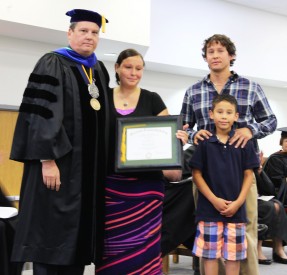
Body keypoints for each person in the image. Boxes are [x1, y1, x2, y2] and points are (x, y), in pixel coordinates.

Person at [10, 9, 110, 275]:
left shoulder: (98, 70)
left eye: (95, 33)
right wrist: (47, 160)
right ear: (70, 33)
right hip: (58, 168)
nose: (89, 37)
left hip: (85, 176)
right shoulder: (52, 63)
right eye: (83, 31)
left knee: (76, 240)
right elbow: (42, 115)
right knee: (52, 231)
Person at [180, 34, 277, 275]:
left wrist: (249, 129)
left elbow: (271, 121)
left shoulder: (251, 87)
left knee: (246, 231)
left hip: (242, 172)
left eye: (220, 51)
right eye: (210, 52)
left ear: (231, 55)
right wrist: (194, 135)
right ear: (205, 58)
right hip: (205, 174)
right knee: (207, 234)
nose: (215, 55)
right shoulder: (193, 91)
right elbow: (183, 128)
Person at [95, 48, 187, 274]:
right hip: (112, 187)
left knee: (144, 249)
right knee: (111, 248)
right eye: (128, 67)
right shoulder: (102, 97)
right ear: (116, 68)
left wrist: (178, 139)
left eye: (138, 68)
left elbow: (167, 138)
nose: (133, 72)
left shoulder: (153, 99)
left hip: (147, 189)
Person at [190, 94, 259, 275]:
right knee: (210, 255)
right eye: (220, 112)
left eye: (229, 112)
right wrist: (214, 200)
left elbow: (248, 175)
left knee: (234, 256)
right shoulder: (204, 143)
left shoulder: (244, 143)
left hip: (236, 211)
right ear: (211, 114)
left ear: (236, 116)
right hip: (209, 210)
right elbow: (196, 174)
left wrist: (238, 202)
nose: (224, 116)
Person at [263, 127, 287, 205]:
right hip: (279, 194)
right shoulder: (275, 158)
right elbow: (277, 180)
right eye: (286, 141)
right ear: (282, 142)